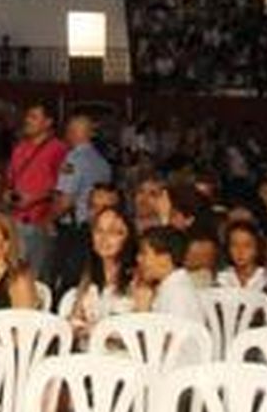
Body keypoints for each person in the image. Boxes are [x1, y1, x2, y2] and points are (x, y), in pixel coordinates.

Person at [6, 103, 68, 284]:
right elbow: (10, 180)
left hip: (40, 222)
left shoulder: (59, 149)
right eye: (27, 116)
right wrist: (9, 194)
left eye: (33, 117)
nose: (27, 120)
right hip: (15, 221)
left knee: (38, 278)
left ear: (48, 122)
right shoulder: (19, 148)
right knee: (14, 276)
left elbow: (63, 187)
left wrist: (35, 198)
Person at [52, 114, 112, 294]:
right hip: (97, 225)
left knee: (67, 282)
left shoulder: (73, 159)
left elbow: (66, 200)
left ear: (74, 133)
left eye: (69, 131)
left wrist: (49, 219)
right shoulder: (102, 161)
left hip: (74, 229)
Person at [67, 205, 136, 345]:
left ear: (128, 237)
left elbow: (139, 333)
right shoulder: (88, 277)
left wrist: (95, 331)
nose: (104, 238)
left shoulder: (137, 281)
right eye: (99, 230)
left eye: (114, 232)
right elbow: (73, 320)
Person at [133, 225, 200, 321]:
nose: (138, 259)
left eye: (144, 253)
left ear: (165, 258)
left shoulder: (178, 294)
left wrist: (143, 312)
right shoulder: (171, 287)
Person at [217, 218, 267, 291]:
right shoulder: (222, 279)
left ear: (257, 248)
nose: (240, 251)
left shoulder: (266, 280)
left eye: (247, 246)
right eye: (234, 245)